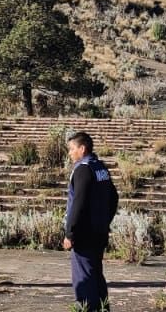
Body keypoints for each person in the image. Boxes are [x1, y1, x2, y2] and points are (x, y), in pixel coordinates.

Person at [62, 131, 117, 312]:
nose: (70, 153)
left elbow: (79, 204)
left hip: (84, 235)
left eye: (72, 149)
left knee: (84, 279)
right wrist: (104, 220)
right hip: (99, 232)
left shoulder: (83, 169)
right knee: (96, 275)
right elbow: (114, 197)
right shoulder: (99, 167)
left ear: (82, 149)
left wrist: (70, 233)